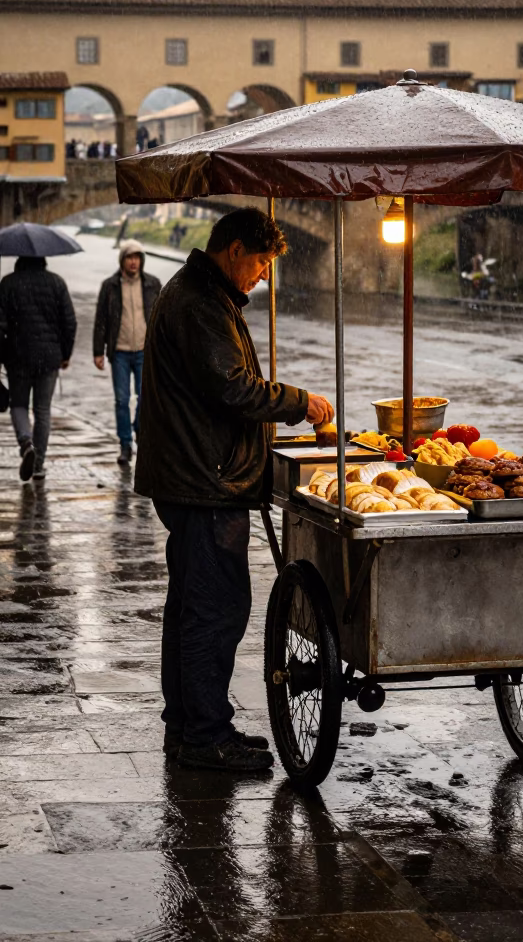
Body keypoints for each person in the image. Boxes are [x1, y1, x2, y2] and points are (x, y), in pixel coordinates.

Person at [135, 207, 333, 774]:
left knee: (193, 608)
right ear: (236, 250)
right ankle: (203, 736)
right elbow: (232, 388)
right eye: (263, 262)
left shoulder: (203, 293)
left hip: (196, 474)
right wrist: (299, 401)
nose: (263, 275)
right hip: (205, 480)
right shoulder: (199, 302)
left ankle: (191, 725)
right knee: (215, 611)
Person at [0, 255, 77, 481]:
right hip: (49, 357)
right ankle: (39, 463)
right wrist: (65, 354)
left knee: (19, 404)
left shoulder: (8, 283)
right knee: (42, 409)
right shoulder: (56, 283)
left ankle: (26, 443)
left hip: (17, 357)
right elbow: (69, 322)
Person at [93, 240, 162, 465]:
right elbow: (101, 320)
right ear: (122, 260)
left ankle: (139, 429)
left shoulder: (152, 284)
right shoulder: (110, 286)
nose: (134, 262)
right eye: (129, 257)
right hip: (120, 352)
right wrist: (98, 351)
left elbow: (161, 318)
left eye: (137, 257)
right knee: (122, 400)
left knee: (145, 398)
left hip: (145, 350)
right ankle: (125, 444)